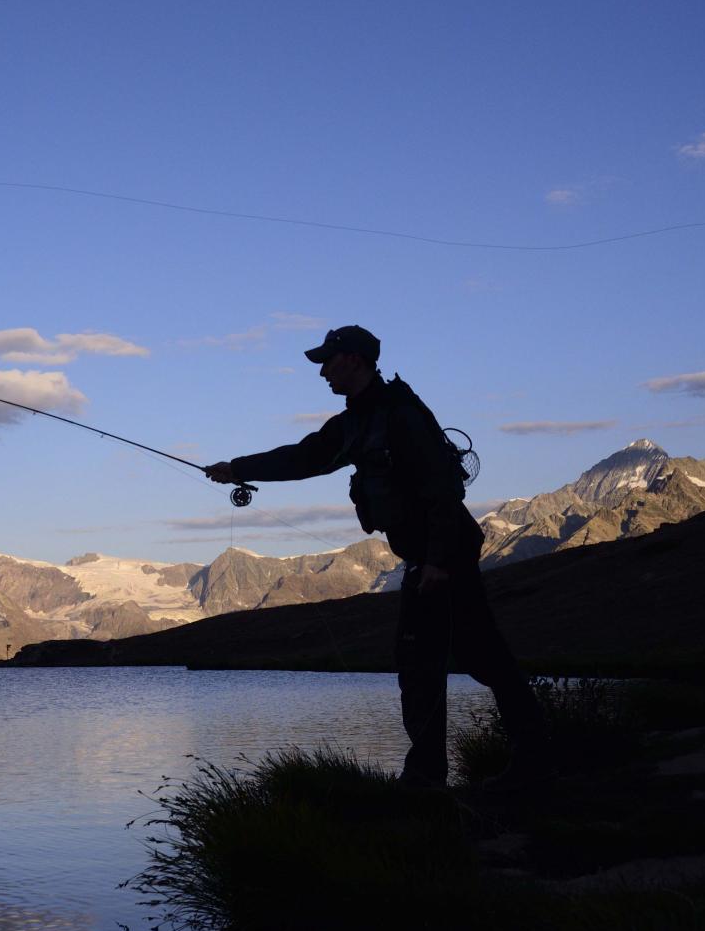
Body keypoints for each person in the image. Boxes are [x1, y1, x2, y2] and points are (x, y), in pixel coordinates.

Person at [204, 325, 551, 790]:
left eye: (328, 361)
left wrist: (437, 561)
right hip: (426, 562)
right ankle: (454, 772)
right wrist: (239, 469)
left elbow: (443, 491)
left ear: (355, 359)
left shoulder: (401, 415)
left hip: (444, 561)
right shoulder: (354, 421)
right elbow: (305, 457)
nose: (322, 371)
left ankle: (505, 763)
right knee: (435, 664)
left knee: (463, 661)